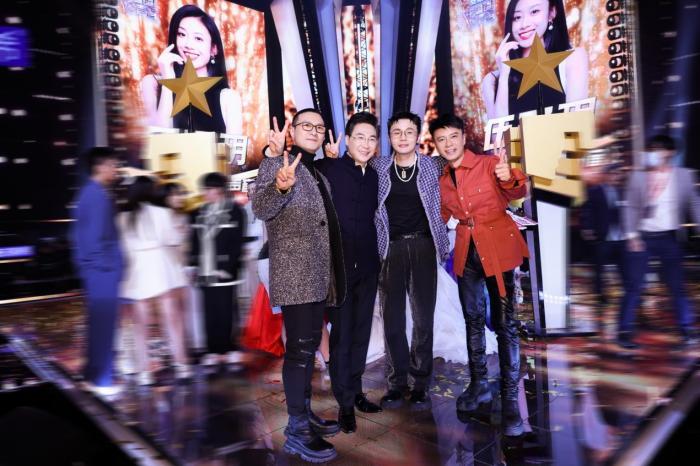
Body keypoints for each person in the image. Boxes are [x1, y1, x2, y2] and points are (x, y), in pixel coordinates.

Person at [251, 108, 344, 463]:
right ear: (292, 131)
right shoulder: (277, 163)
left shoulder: (317, 173)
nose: (315, 131)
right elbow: (261, 207)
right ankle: (297, 431)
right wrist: (279, 184)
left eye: (320, 127)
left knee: (307, 349)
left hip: (317, 275)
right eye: (307, 125)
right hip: (294, 274)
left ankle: (304, 414)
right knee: (300, 352)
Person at [430, 113, 529, 436]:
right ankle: (479, 385)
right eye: (441, 139)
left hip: (498, 250)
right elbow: (441, 214)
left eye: (452, 137)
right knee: (472, 320)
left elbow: (516, 190)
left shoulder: (489, 165)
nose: (448, 144)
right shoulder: (443, 180)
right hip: (466, 254)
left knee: (506, 324)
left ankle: (511, 400)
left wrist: (509, 176)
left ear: (463, 137)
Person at [373, 111, 450, 408]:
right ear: (389, 137)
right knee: (392, 319)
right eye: (397, 132)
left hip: (423, 246)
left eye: (409, 131)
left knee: (423, 319)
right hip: (389, 248)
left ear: (418, 136)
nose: (403, 137)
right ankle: (396, 383)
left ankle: (420, 383)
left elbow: (459, 159)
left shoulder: (432, 165)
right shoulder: (379, 166)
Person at [312, 112, 383, 433]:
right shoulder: (328, 169)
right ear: (348, 140)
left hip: (368, 265)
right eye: (360, 138)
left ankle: (356, 392)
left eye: (371, 139)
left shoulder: (375, 176)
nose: (366, 144)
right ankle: (344, 404)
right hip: (338, 269)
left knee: (362, 333)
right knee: (342, 336)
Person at [618, 135, 700, 349]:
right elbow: (629, 207)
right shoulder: (638, 176)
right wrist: (632, 236)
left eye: (658, 149)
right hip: (642, 237)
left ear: (670, 153)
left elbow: (694, 204)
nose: (653, 153)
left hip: (670, 238)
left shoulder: (684, 176)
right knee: (634, 286)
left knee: (677, 286)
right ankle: (624, 331)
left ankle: (686, 330)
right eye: (651, 149)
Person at [118, 177, 190, 385]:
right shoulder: (161, 213)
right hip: (162, 268)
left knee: (140, 325)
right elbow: (173, 240)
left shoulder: (122, 217)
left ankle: (144, 372)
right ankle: (181, 365)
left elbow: (124, 249)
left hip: (137, 271)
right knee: (172, 320)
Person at [140, 4, 242, 134]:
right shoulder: (152, 83)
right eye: (182, 34)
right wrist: (168, 81)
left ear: (213, 49)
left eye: (198, 38)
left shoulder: (229, 98)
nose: (188, 45)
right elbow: (158, 140)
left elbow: (232, 148)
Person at [71, 147, 124, 395]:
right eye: (113, 165)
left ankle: (92, 375)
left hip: (98, 272)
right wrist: (107, 268)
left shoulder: (91, 193)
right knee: (104, 326)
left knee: (98, 325)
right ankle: (102, 380)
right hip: (102, 273)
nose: (116, 169)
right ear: (100, 166)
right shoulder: (96, 196)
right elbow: (93, 240)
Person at [481, 0, 588, 120]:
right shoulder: (492, 81)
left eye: (534, 11)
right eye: (517, 17)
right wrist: (504, 76)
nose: (524, 24)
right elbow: (499, 131)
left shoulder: (573, 59)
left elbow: (577, 124)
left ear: (551, 12)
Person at [190, 172, 246, 365]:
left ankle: (228, 348)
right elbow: (194, 242)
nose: (205, 193)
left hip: (226, 270)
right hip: (204, 270)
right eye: (204, 189)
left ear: (220, 189)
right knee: (209, 310)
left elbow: (237, 242)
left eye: (209, 189)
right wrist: (192, 266)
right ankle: (212, 350)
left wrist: (228, 267)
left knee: (226, 309)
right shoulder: (198, 212)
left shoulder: (235, 211)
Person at [581, 164, 626, 307]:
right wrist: (587, 228)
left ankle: (626, 293)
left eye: (617, 174)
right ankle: (600, 294)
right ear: (606, 175)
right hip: (603, 236)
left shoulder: (621, 191)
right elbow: (587, 210)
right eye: (613, 174)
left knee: (623, 267)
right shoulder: (595, 191)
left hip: (620, 237)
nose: (616, 177)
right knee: (599, 268)